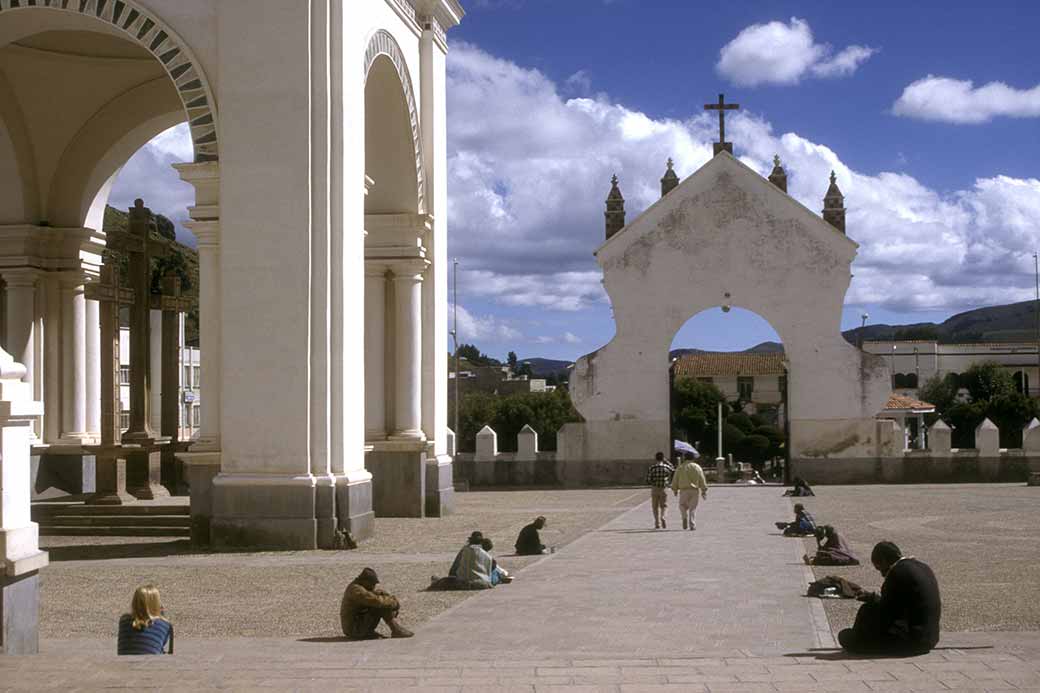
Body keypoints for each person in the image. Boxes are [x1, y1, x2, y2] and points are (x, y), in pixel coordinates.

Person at [838, 542, 941, 655]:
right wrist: (872, 598)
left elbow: (886, 612)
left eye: (879, 568)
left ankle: (857, 639)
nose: (882, 574)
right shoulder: (922, 566)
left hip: (912, 643)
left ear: (884, 560)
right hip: (930, 639)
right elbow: (899, 604)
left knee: (847, 634)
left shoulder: (896, 573)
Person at [340, 567, 414, 639]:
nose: (373, 586)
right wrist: (394, 603)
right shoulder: (356, 590)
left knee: (382, 598)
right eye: (372, 584)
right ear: (365, 581)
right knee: (380, 605)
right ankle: (396, 630)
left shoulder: (361, 586)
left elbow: (375, 595)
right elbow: (376, 601)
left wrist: (388, 598)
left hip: (356, 625)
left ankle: (391, 630)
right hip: (353, 629)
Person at [117, 584, 173, 655]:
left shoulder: (124, 620)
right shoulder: (165, 624)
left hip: (124, 664)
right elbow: (161, 644)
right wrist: (160, 613)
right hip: (152, 664)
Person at [671, 451, 708, 531]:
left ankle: (684, 516)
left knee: (682, 505)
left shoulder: (680, 467)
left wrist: (675, 489)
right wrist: (704, 490)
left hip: (684, 490)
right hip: (694, 490)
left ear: (684, 458)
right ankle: (692, 523)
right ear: (693, 458)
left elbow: (675, 478)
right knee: (693, 508)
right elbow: (702, 478)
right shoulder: (697, 467)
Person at [645, 451, 675, 529]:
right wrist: (667, 461)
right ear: (663, 458)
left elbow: (648, 479)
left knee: (655, 506)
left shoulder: (652, 468)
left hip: (655, 488)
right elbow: (673, 469)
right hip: (664, 488)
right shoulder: (666, 467)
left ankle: (657, 523)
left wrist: (652, 482)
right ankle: (663, 516)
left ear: (656, 458)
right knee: (664, 505)